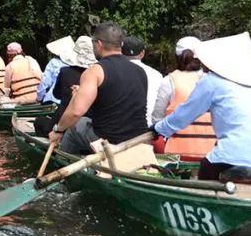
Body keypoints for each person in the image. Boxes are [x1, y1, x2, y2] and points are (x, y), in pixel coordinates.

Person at [153, 32, 251, 181]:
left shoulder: (212, 82)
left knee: (206, 169)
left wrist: (157, 129)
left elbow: (184, 115)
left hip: (233, 157)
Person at [47, 22, 149, 155]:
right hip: (138, 137)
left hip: (109, 139)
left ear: (99, 44)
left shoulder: (95, 71)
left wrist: (58, 130)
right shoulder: (140, 71)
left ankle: (63, 163)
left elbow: (76, 112)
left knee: (75, 126)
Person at [151, 36, 216, 161]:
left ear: (176, 57)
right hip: (212, 152)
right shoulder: (213, 81)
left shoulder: (169, 81)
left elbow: (157, 118)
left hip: (176, 153)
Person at [33, 36, 95, 134]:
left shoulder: (65, 72)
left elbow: (56, 94)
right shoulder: (97, 75)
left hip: (64, 120)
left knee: (39, 121)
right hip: (89, 121)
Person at [122, 36, 163, 125]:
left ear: (121, 52)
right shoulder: (157, 75)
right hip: (147, 125)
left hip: (120, 126)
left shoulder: (114, 71)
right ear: (142, 53)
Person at [36, 36, 71, 104]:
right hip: (69, 101)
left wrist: (39, 97)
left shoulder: (54, 62)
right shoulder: (77, 64)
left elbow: (45, 82)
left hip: (53, 99)